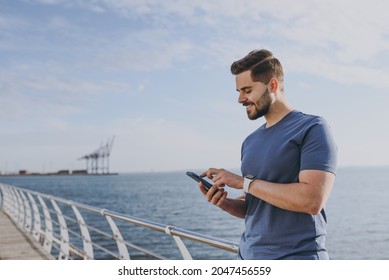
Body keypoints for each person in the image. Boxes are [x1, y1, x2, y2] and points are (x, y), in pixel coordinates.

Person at [199, 49, 337, 260]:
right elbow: (252, 205)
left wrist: (243, 182)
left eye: (247, 90)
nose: (240, 99)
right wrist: (225, 203)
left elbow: (312, 201)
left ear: (272, 85)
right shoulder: (250, 142)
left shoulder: (313, 128)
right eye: (238, 91)